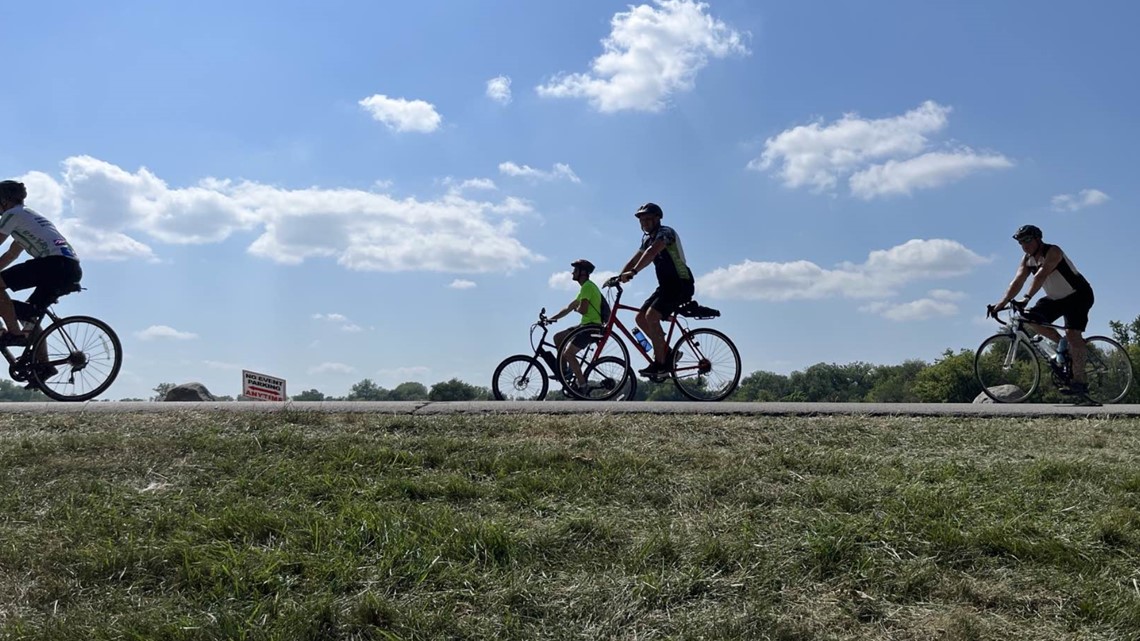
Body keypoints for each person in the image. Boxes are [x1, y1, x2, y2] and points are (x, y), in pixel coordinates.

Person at [989, 224, 1094, 396]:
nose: (1024, 245)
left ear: (1038, 239)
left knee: (1073, 334)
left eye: (1028, 240)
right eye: (1021, 242)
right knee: (1030, 318)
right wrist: (1000, 304)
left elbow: (1041, 275)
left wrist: (1026, 298)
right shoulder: (1027, 260)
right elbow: (1017, 282)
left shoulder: (1053, 251)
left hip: (1078, 296)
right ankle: (1064, 346)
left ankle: (1080, 381)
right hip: (1055, 298)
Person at [0, 179, 83, 347]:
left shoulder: (12, 214)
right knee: (28, 316)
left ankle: (15, 335)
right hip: (70, 268)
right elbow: (11, 254)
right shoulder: (29, 217)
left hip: (54, 264)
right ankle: (43, 367)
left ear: (4, 201)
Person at [617, 202, 694, 379]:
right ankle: (668, 354)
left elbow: (651, 253)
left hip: (681, 283)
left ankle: (661, 365)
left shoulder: (666, 233)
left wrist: (634, 272)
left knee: (652, 316)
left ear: (658, 218)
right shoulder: (647, 239)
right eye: (642, 220)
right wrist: (618, 277)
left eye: (649, 219)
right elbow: (634, 258)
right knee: (640, 318)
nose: (645, 223)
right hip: (666, 286)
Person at [546, 259, 607, 391]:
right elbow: (569, 307)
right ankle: (565, 371)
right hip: (584, 326)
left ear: (582, 272)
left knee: (569, 353)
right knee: (558, 337)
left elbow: (583, 309)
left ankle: (582, 385)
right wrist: (551, 319)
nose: (572, 272)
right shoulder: (584, 288)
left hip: (591, 328)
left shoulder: (588, 287)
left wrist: (577, 309)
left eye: (575, 270)